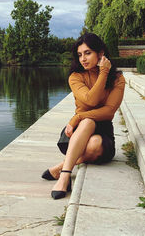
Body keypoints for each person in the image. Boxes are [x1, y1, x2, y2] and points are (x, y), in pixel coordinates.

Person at [41, 32, 125, 199]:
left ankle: (62, 167)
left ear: (100, 53)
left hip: (103, 134)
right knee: (87, 122)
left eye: (88, 53)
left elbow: (109, 112)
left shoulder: (117, 78)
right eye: (79, 55)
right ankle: (65, 176)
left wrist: (77, 117)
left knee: (94, 140)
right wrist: (80, 119)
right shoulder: (75, 77)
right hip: (77, 132)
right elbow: (90, 100)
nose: (83, 59)